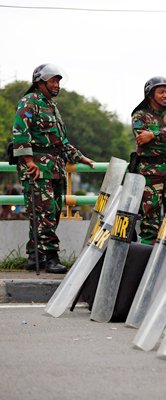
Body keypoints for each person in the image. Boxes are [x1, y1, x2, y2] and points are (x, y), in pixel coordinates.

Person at [12, 63, 94, 273]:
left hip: (55, 166)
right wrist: (29, 162)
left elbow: (61, 141)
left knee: (53, 211)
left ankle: (34, 255)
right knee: (44, 213)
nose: (57, 85)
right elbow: (21, 133)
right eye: (53, 81)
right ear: (41, 82)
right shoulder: (29, 102)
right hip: (37, 167)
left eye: (58, 81)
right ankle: (50, 257)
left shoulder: (51, 106)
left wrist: (79, 157)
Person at [130, 76, 166, 244]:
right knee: (150, 220)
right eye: (161, 92)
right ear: (150, 94)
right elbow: (141, 138)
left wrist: (153, 134)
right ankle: (146, 260)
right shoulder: (139, 115)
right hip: (150, 173)